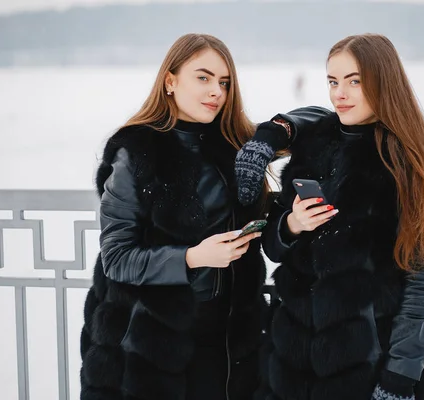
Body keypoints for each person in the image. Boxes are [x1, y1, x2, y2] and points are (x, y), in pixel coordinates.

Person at [79, 33, 322, 400]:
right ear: (171, 81)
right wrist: (192, 258)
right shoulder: (137, 154)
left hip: (231, 345)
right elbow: (116, 258)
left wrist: (270, 136)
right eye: (203, 77)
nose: (216, 92)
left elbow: (324, 120)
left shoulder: (234, 148)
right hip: (150, 347)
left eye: (224, 83)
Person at [236, 33, 424, 400]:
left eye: (354, 81)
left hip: (369, 361)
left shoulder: (406, 161)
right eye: (333, 82)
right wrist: (291, 225)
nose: (340, 94)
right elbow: (275, 249)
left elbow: (423, 284)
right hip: (293, 362)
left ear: (383, 82)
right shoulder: (313, 143)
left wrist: (399, 378)